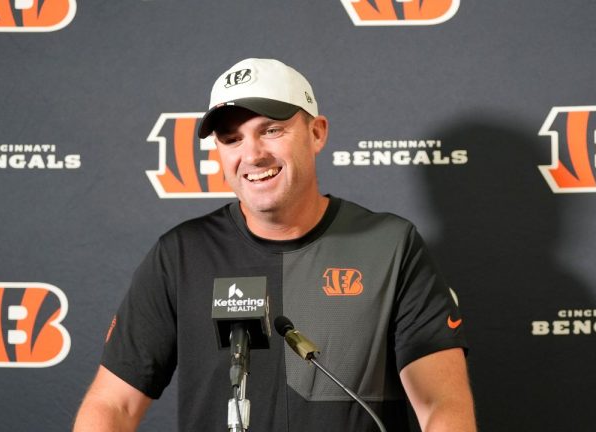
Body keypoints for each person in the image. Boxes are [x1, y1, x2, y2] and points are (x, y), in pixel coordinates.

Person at [73, 58, 476, 432]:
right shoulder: (180, 254)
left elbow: (442, 404)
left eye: (271, 130)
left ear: (317, 133)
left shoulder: (390, 246)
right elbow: (113, 405)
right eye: (231, 138)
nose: (252, 154)